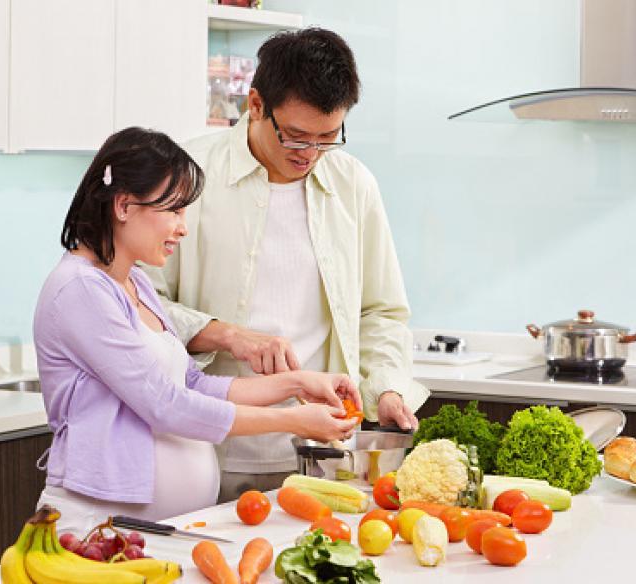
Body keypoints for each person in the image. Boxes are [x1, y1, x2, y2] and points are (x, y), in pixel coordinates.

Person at [144, 28, 430, 502]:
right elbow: (139, 307)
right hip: (205, 450)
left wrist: (386, 388)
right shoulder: (187, 175)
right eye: (296, 136)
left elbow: (380, 313)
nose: (309, 155)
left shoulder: (352, 185)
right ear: (255, 104)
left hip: (323, 455)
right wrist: (226, 332)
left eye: (327, 138)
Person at [32, 127, 361, 535]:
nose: (182, 227)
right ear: (123, 205)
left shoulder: (136, 284)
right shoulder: (80, 289)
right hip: (95, 528)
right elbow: (165, 405)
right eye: (173, 210)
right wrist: (294, 422)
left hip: (155, 530)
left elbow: (192, 384)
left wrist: (295, 383)